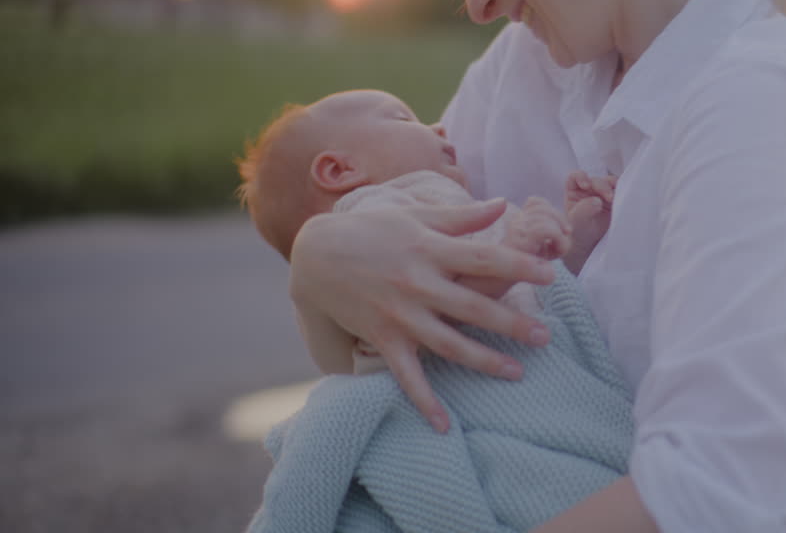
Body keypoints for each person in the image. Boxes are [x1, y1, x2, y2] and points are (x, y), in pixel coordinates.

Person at [287, 0, 786, 530]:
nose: (477, 0)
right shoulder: (522, 72)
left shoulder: (760, 108)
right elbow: (389, 350)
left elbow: (716, 495)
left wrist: (329, 269)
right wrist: (319, 267)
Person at [237, 89, 634, 531]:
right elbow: (442, 297)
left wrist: (573, 236)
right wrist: (516, 256)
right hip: (479, 408)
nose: (439, 128)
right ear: (340, 169)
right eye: (404, 119)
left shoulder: (434, 204)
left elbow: (529, 296)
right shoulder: (375, 218)